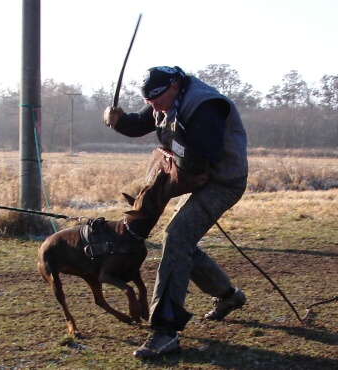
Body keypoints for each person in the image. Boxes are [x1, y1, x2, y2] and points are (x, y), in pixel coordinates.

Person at [103, 66, 248, 358]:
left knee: (177, 238)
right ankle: (229, 296)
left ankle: (165, 332)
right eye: (149, 104)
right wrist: (118, 122)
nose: (154, 109)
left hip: (223, 181)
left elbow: (201, 158)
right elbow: (138, 124)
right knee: (182, 241)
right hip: (197, 177)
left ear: (174, 87)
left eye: (157, 102)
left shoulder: (205, 106)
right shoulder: (162, 101)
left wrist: (169, 170)